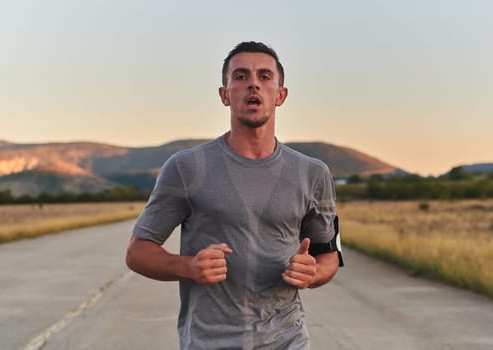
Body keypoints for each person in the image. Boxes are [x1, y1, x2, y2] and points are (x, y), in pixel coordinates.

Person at [126, 41, 343, 350]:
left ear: (280, 95)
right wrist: (188, 267)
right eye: (240, 76)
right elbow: (137, 252)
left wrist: (313, 272)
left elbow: (329, 255)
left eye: (265, 77)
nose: (253, 83)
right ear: (224, 94)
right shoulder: (187, 168)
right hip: (209, 341)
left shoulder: (313, 173)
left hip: (286, 338)